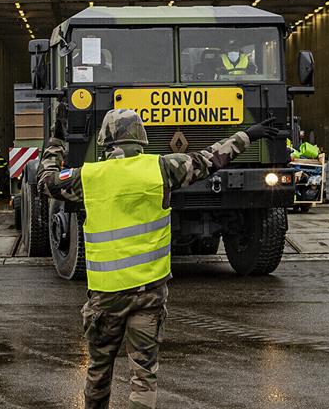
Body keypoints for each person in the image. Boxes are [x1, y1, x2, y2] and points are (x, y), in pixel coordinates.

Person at [37, 108, 286, 409]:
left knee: (99, 372)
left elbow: (46, 180)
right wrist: (249, 134)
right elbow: (210, 159)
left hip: (106, 298)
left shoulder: (88, 177)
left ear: (106, 141)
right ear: (140, 138)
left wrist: (56, 141)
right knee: (143, 377)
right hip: (148, 294)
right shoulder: (161, 168)